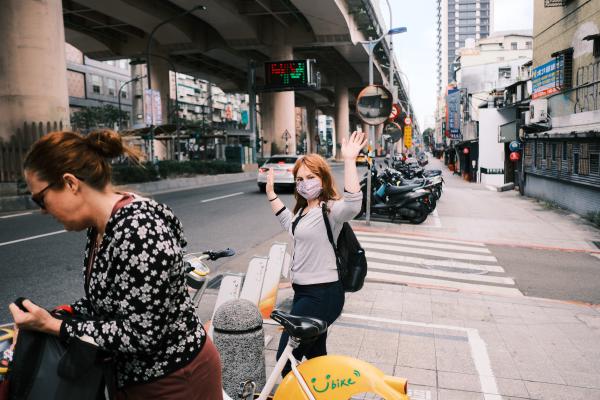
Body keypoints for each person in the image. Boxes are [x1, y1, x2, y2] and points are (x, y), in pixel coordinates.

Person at [8, 130, 223, 400]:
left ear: (71, 183)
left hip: (175, 380)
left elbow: (142, 333)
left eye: (40, 199)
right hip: (138, 380)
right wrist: (46, 316)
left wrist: (55, 326)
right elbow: (109, 304)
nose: (42, 210)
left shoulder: (139, 229)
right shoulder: (101, 227)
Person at [265, 131, 367, 377]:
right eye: (300, 179)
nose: (304, 183)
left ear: (322, 178)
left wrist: (350, 160)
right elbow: (289, 224)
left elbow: (353, 204)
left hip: (323, 295)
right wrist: (271, 194)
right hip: (304, 293)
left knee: (285, 360)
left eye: (310, 177)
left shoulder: (330, 210)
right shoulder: (303, 212)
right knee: (316, 358)